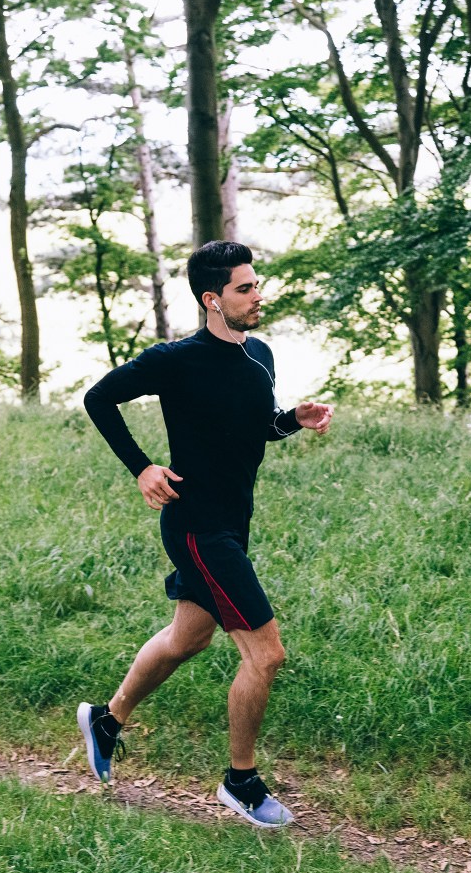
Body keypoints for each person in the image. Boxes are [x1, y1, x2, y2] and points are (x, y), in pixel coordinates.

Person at [79, 240, 333, 829]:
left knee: (186, 638)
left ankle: (107, 720)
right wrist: (142, 466)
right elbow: (99, 399)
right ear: (211, 299)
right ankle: (240, 782)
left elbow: (254, 428)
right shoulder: (175, 359)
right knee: (266, 655)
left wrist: (292, 420)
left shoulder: (260, 354)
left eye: (256, 284)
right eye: (245, 288)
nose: (257, 295)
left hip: (232, 522)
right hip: (196, 524)